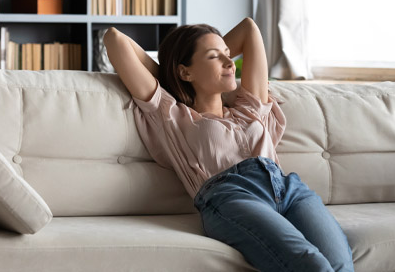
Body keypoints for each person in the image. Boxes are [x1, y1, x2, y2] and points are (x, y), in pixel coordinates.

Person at [103, 17, 354, 272]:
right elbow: (114, 39)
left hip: (288, 189)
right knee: (312, 264)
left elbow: (249, 28)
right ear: (185, 71)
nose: (229, 63)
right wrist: (170, 76)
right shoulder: (172, 115)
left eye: (228, 54)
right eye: (215, 57)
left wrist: (209, 59)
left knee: (340, 264)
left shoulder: (249, 107)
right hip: (230, 196)